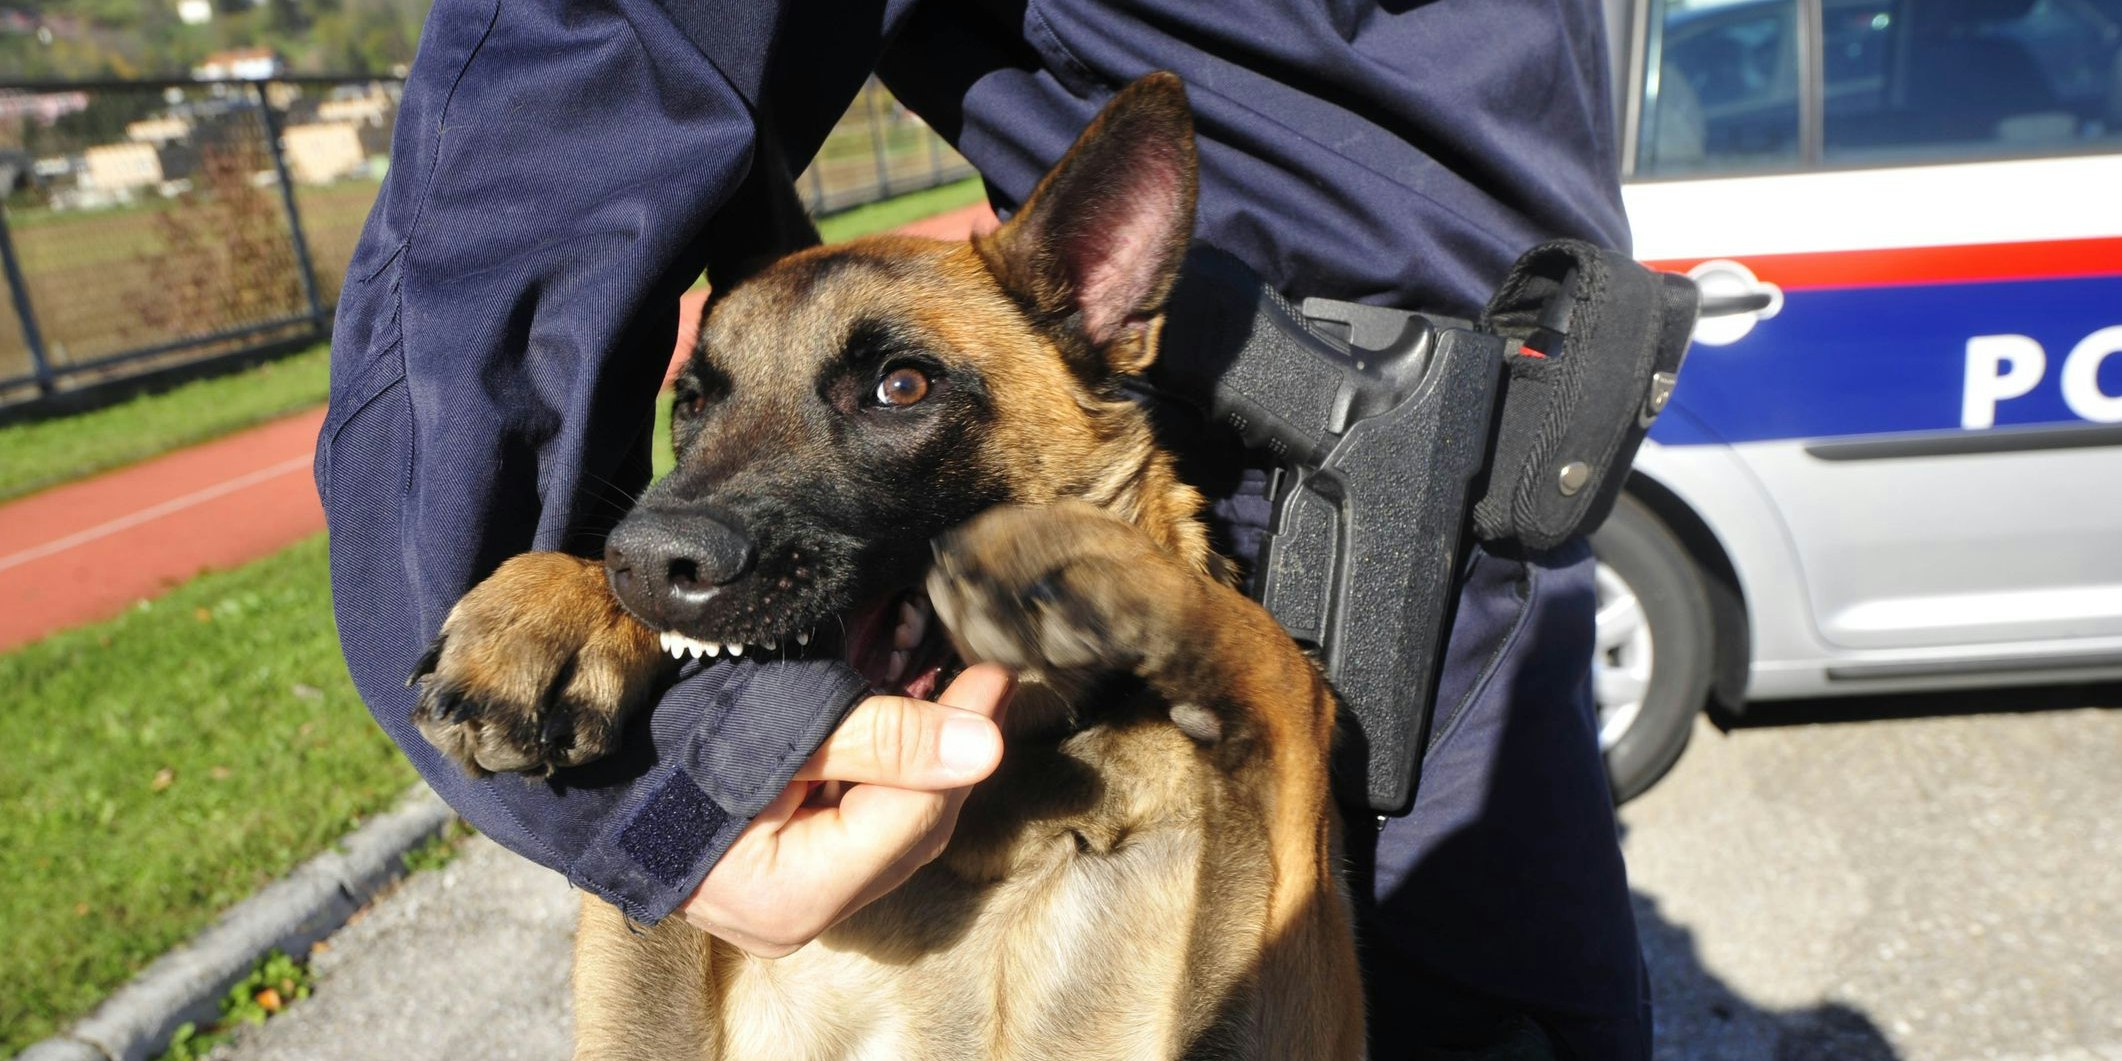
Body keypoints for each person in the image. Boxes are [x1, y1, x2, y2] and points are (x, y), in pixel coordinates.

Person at [319, 0, 1648, 1055]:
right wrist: (631, 726)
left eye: (899, 386)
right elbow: (613, 48)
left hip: (1474, 587)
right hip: (1294, 513)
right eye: (704, 399)